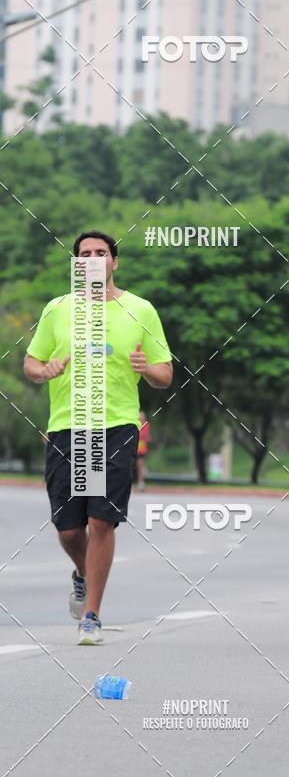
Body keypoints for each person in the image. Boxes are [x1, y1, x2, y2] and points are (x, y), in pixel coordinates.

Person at [24, 231, 173, 644]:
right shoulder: (57, 309)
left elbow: (164, 374)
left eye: (101, 253)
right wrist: (44, 370)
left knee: (101, 520)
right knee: (70, 530)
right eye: (85, 254)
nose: (92, 258)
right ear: (77, 264)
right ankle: (82, 572)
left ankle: (91, 615)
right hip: (67, 427)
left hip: (116, 427)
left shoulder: (140, 310)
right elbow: (31, 363)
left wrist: (146, 368)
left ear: (114, 262)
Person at [136, 410, 151, 491]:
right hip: (134, 448)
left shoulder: (145, 425)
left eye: (142, 416)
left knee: (140, 467)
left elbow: (144, 436)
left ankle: (141, 484)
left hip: (141, 450)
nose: (141, 418)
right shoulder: (136, 424)